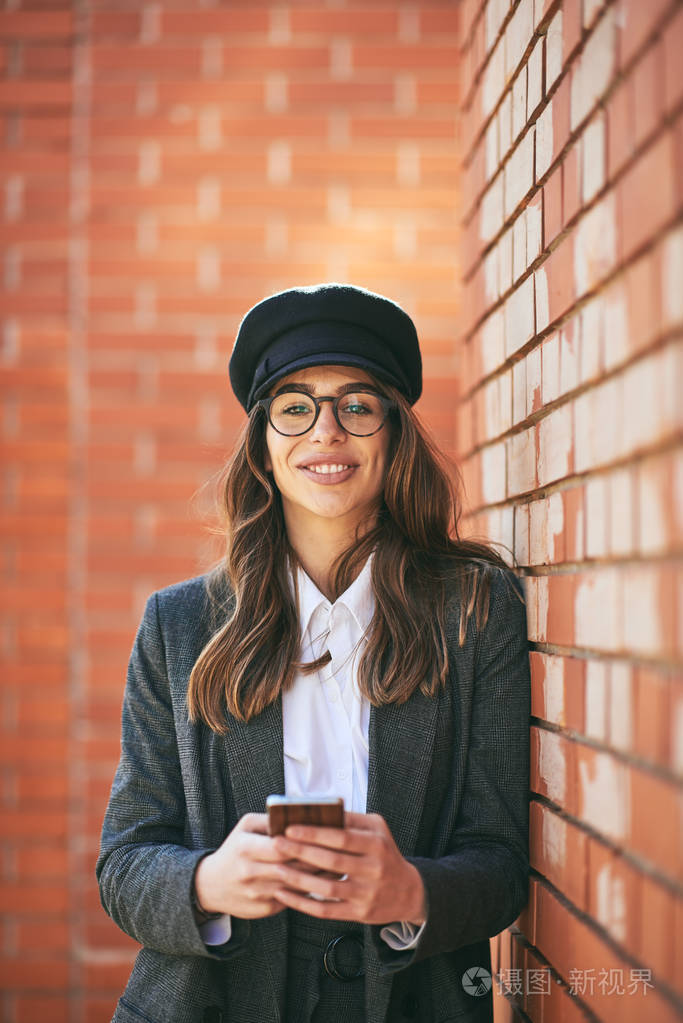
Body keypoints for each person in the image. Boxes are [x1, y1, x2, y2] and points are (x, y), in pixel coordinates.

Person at [96, 283, 530, 1023]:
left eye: (357, 405)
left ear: (391, 435)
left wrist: (410, 893)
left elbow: (499, 862)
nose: (325, 431)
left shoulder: (474, 610)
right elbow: (125, 859)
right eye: (295, 406)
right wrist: (206, 882)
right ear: (263, 447)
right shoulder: (178, 625)